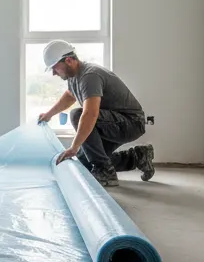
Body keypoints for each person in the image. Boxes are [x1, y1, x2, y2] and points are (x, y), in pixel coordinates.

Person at [37, 40, 154, 188]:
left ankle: (105, 172)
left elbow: (90, 114)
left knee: (77, 115)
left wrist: (74, 147)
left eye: (55, 68)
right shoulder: (75, 77)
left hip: (130, 123)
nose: (54, 73)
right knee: (84, 163)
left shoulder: (90, 76)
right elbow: (69, 96)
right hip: (113, 123)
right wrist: (49, 114)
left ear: (68, 60)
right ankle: (137, 157)